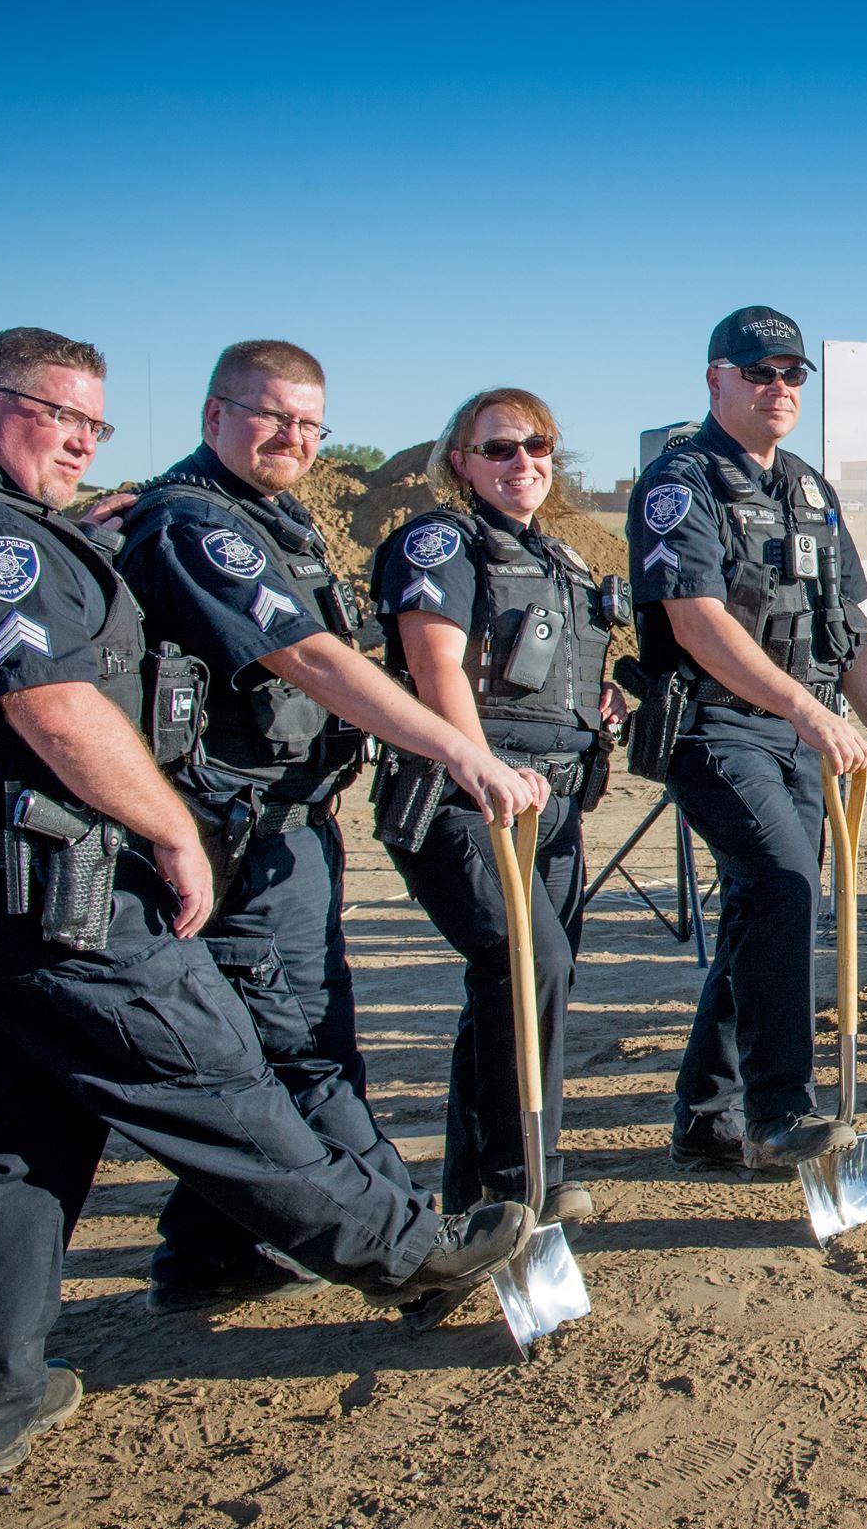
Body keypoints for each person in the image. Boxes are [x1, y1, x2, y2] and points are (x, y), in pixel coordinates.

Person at [0, 329, 528, 1477]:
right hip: (36, 883)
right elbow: (55, 707)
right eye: (56, 414)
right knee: (215, 1070)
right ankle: (403, 1253)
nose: (77, 439)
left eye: (92, 423)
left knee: (12, 1141)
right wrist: (170, 829)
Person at [114, 339, 546, 1316]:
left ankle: (207, 1252)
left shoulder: (276, 522)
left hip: (279, 820)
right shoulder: (199, 524)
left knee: (252, 1050)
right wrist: (455, 748)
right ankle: (414, 1252)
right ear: (215, 412)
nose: (293, 438)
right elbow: (305, 656)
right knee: (306, 1051)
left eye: (310, 423)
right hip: (241, 828)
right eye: (272, 416)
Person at [629, 307, 867, 1165]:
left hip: (802, 731)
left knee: (764, 910)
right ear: (716, 380)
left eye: (791, 374)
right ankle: (780, 1108)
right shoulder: (683, 483)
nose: (778, 388)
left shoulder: (809, 489)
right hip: (718, 726)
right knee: (785, 887)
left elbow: (846, 630)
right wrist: (808, 711)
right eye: (758, 372)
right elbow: (699, 622)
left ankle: (707, 1117)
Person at [373, 388, 626, 1225]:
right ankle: (527, 1175)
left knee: (509, 991)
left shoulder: (562, 559)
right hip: (465, 798)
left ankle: (479, 1197)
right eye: (500, 449)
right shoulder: (441, 544)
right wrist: (479, 767)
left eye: (538, 446)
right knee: (528, 967)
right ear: (462, 463)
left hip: (551, 807)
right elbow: (435, 661)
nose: (524, 463)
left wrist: (602, 707)